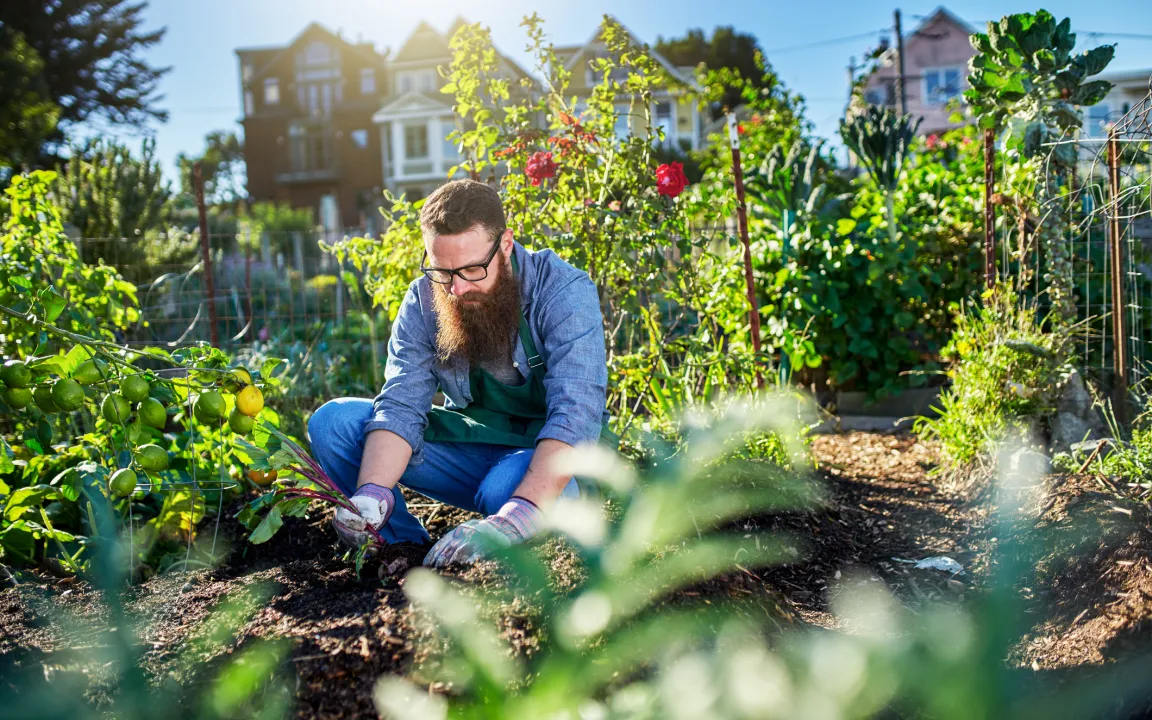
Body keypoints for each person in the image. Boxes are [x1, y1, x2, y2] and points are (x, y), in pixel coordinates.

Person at [308, 179, 610, 568]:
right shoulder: (424, 300)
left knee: (503, 489)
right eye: (442, 272)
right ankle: (399, 548)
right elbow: (401, 404)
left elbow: (576, 414)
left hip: (548, 462)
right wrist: (371, 492)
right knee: (335, 424)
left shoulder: (561, 291)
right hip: (475, 447)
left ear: (505, 245)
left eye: (472, 270)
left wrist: (516, 515)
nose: (456, 289)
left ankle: (513, 531)